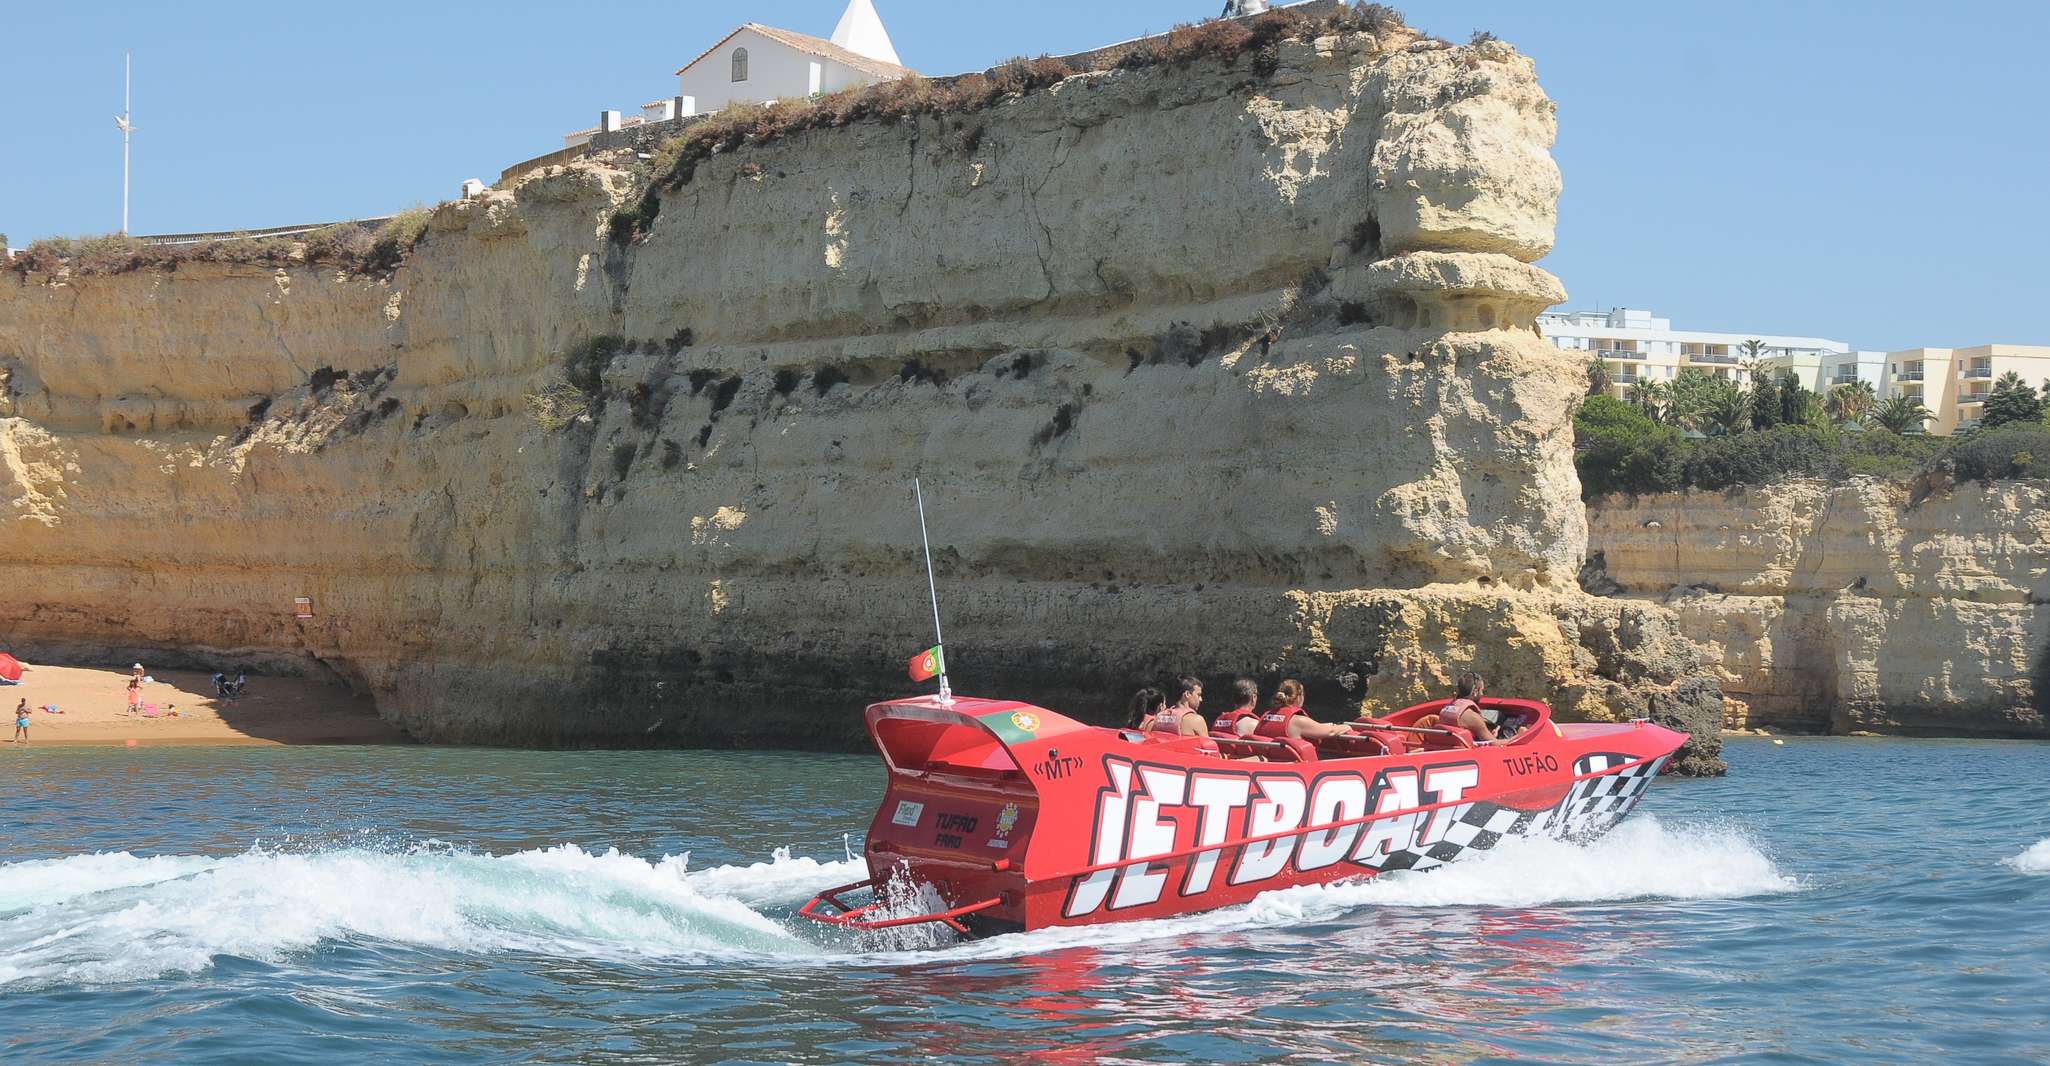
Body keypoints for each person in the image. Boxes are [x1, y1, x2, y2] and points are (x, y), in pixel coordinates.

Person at [1253, 679, 1356, 743]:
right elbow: (1330, 732)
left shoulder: (1266, 716)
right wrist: (1346, 726)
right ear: (1298, 697)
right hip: (1296, 769)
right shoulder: (1299, 721)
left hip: (1273, 762)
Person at [1438, 671, 1499, 742]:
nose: (1482, 694)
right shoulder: (1473, 717)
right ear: (1475, 692)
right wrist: (1514, 738)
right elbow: (1493, 744)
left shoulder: (1445, 709)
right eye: (1482, 691)